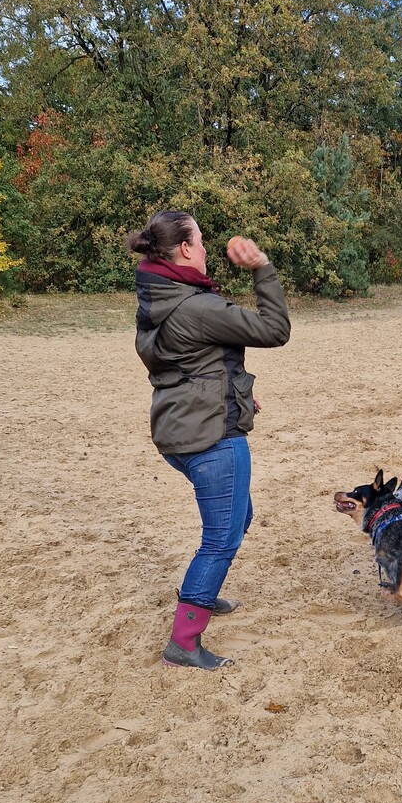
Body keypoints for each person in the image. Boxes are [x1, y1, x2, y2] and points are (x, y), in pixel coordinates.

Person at [126, 211, 290, 669]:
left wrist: (233, 391)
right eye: (199, 241)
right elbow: (275, 330)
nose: (204, 248)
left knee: (237, 518)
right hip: (212, 437)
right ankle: (184, 641)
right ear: (183, 249)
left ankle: (202, 590)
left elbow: (188, 363)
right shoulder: (198, 307)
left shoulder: (156, 299)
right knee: (221, 539)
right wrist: (261, 268)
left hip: (177, 431)